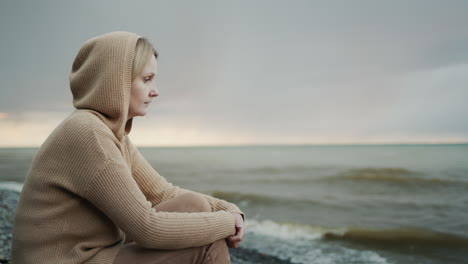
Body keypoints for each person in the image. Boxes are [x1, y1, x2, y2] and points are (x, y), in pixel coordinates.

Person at [12, 31, 245, 264]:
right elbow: (146, 228)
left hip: (96, 254)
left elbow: (163, 193)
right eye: (146, 79)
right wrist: (226, 223)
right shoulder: (87, 133)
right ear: (117, 81)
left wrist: (227, 209)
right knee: (208, 243)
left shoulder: (111, 133)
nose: (155, 91)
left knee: (196, 205)